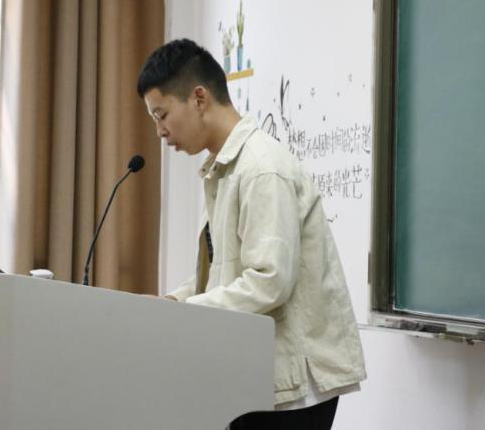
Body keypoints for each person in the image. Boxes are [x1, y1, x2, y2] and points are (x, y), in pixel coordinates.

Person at [137, 38, 366, 430]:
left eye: (162, 115)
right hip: (258, 375)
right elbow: (226, 270)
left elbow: (269, 280)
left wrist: (186, 314)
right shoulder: (225, 168)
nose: (160, 131)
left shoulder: (261, 168)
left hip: (294, 387)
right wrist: (174, 301)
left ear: (198, 98)